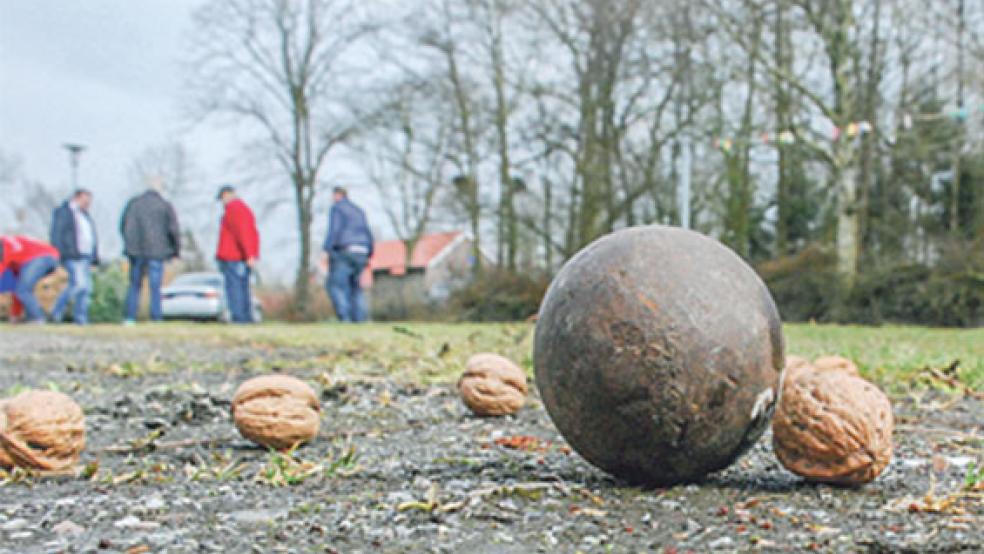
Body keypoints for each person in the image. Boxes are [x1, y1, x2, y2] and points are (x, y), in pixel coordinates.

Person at [120, 177, 181, 324]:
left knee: (134, 285)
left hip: (135, 251)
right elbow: (173, 230)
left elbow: (123, 225)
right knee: (155, 287)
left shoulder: (133, 204)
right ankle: (156, 317)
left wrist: (128, 244)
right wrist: (175, 251)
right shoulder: (164, 206)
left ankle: (130, 317)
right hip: (157, 251)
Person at [320, 186, 373, 323]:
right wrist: (369, 253)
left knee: (336, 285)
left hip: (345, 250)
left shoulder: (337, 209)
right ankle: (360, 319)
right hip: (362, 251)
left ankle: (345, 318)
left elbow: (334, 230)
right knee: (355, 287)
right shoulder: (359, 210)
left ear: (337, 195)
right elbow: (368, 232)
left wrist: (327, 249)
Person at [50, 188, 99, 324]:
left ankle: (81, 318)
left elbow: (91, 236)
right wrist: (59, 254)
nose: (88, 204)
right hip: (72, 256)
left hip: (86, 256)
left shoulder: (85, 215)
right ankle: (56, 311)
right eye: (85, 200)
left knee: (86, 289)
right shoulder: (63, 213)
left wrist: (95, 257)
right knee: (78, 285)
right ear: (77, 198)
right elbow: (57, 234)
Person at [215, 185, 260, 323]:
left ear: (227, 195)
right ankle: (245, 317)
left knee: (235, 289)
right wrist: (252, 254)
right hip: (240, 256)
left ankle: (239, 318)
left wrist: (249, 255)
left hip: (234, 257)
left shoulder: (234, 209)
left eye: (222, 198)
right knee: (243, 288)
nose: (222, 202)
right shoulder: (243, 209)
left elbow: (243, 233)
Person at [0, 235, 60, 324]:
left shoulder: (3, 249)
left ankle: (37, 318)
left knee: (23, 290)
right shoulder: (14, 260)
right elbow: (16, 288)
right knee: (22, 289)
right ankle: (33, 319)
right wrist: (15, 315)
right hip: (44, 257)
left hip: (41, 257)